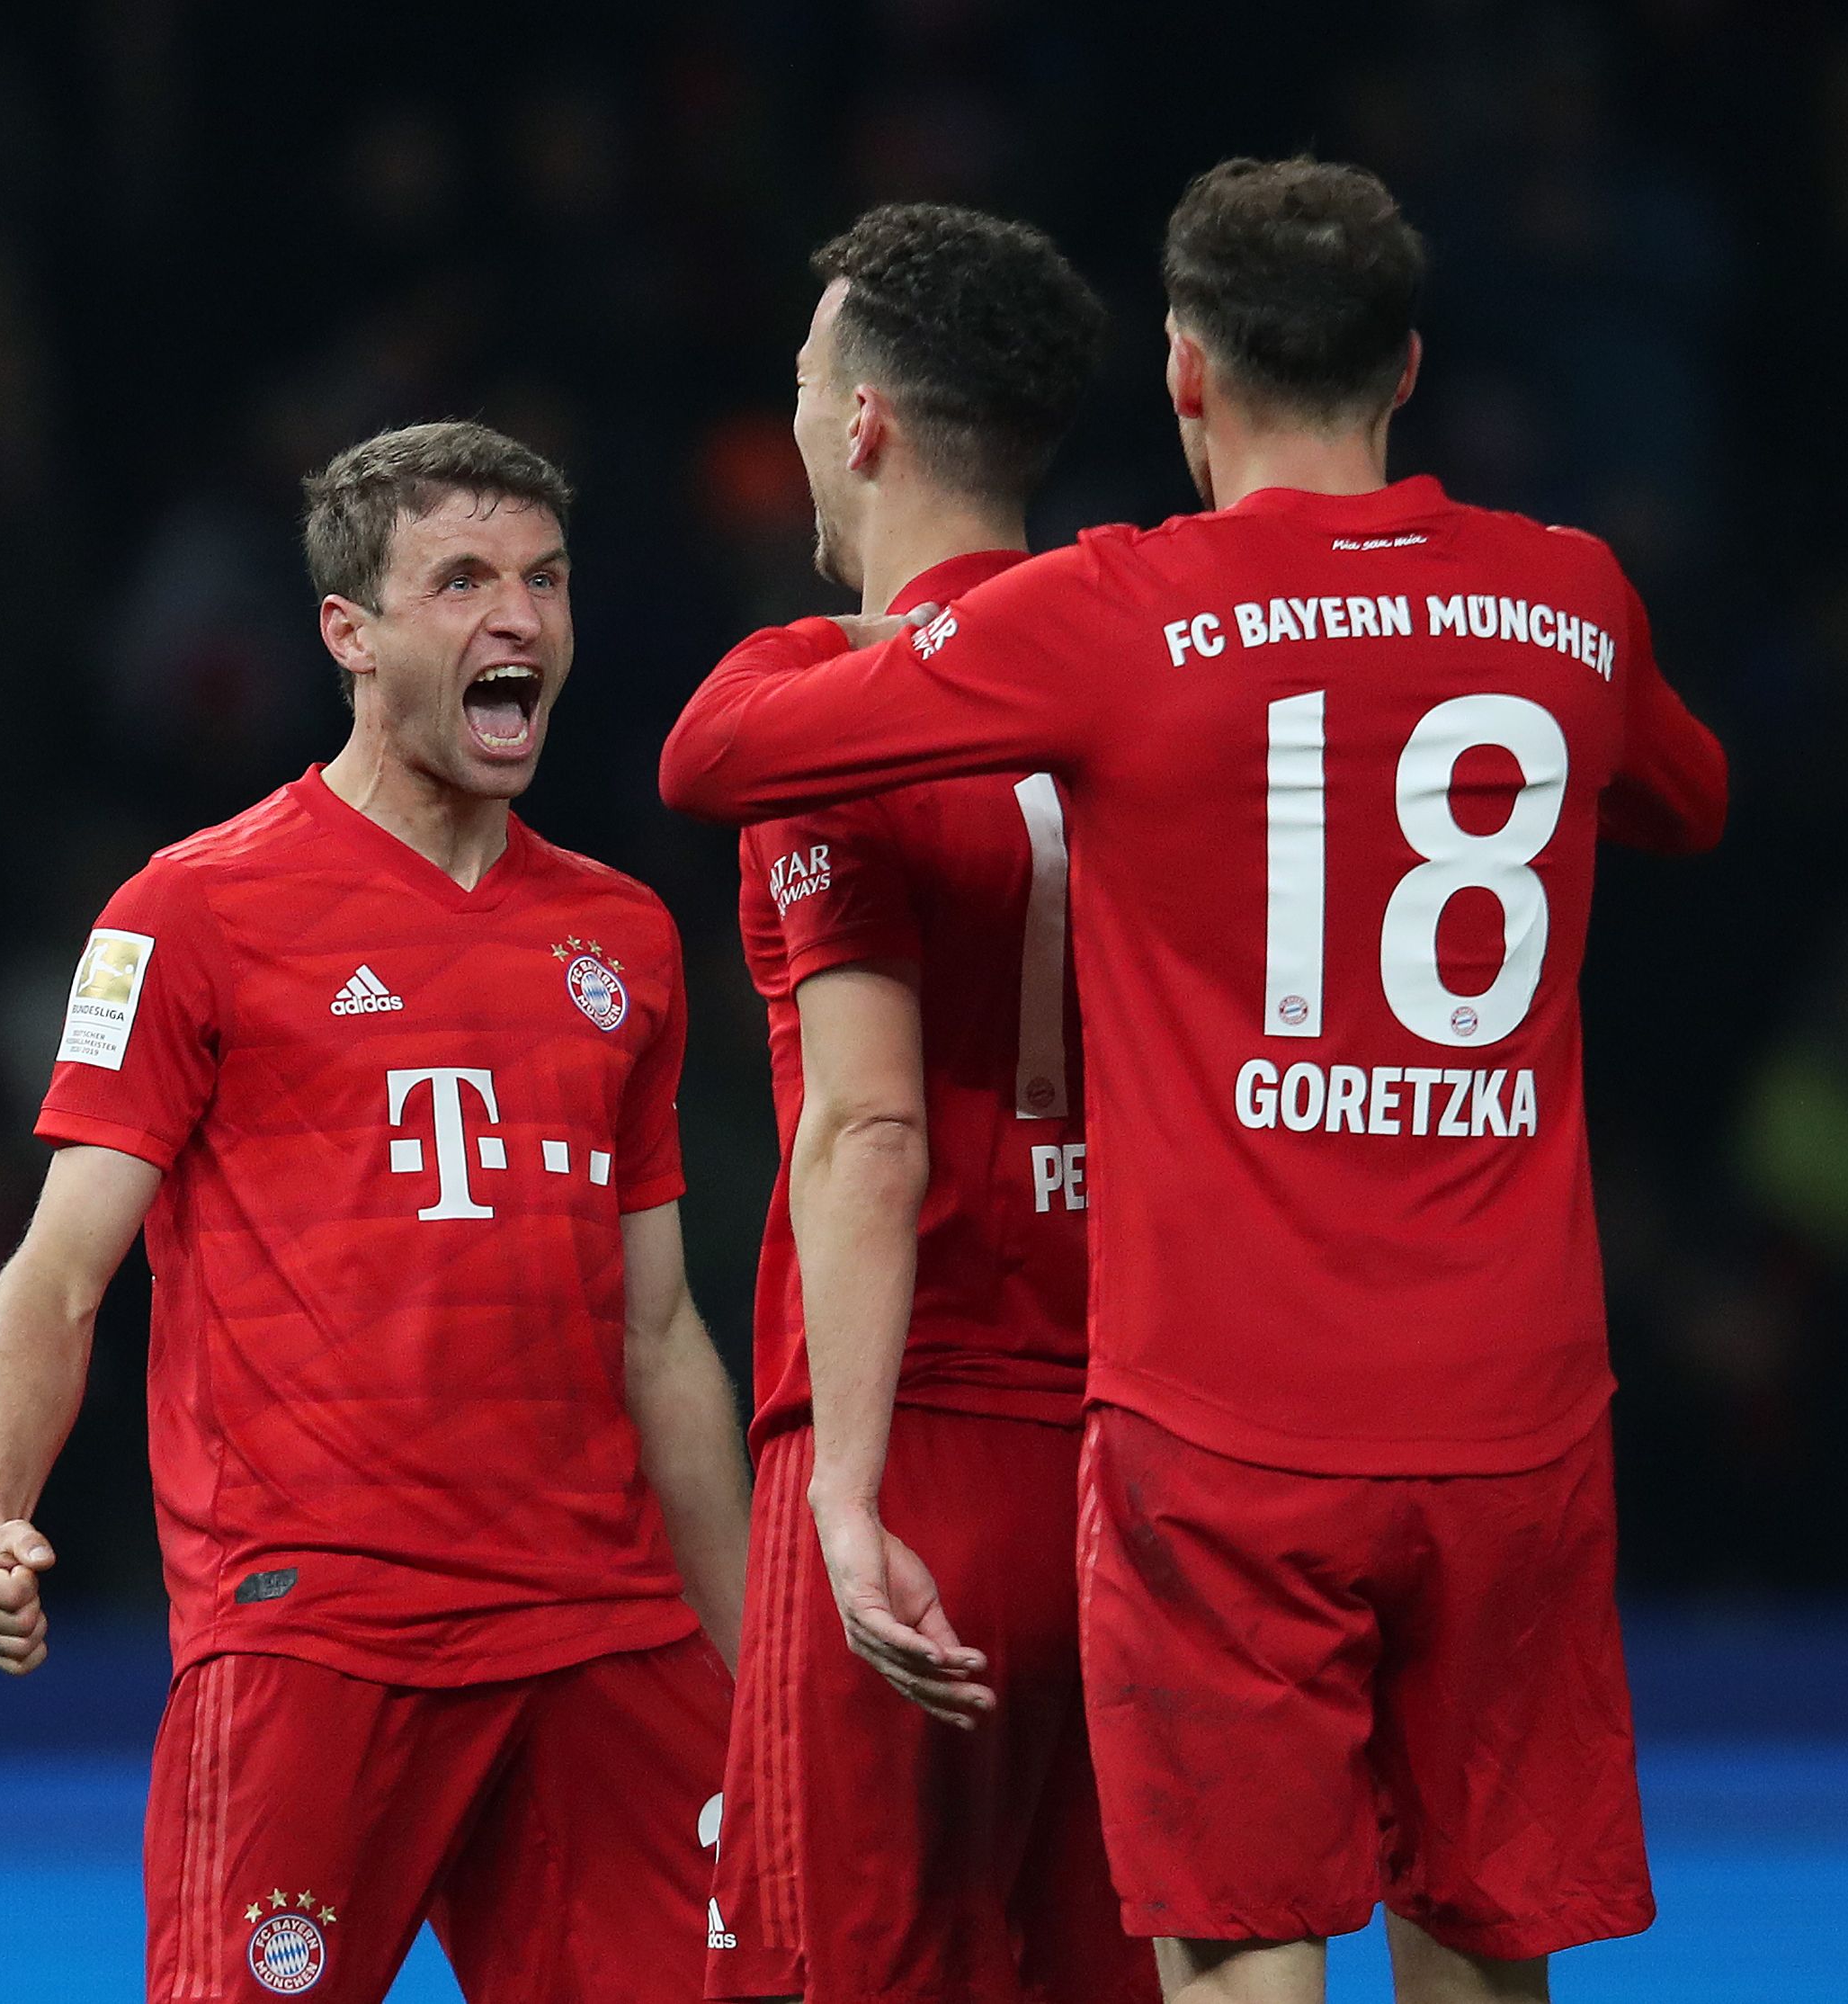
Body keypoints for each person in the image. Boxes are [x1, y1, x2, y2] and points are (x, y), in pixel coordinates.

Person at [662, 161, 1729, 2004]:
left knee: (1241, 1955)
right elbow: (1688, 801)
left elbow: (720, 757)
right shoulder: (1572, 601)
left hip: (1229, 1421)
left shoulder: (1125, 614)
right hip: (1518, 1406)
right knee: (1481, 1932)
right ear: (1404, 364)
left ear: (1184, 377)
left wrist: (848, 644)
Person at [0, 421, 751, 2004]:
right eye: (461, 582)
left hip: (603, 1631)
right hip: (321, 1633)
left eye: (545, 579)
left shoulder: (627, 938)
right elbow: (55, 1278)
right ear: (350, 634)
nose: (517, 618)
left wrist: (755, 1665)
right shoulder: (187, 911)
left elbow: (656, 1332)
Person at [702, 205, 1152, 2004]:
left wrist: (845, 1498)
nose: (800, 417)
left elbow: (869, 1128)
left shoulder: (826, 712)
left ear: (868, 420)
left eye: (808, 380)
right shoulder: (1164, 695)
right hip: (1146, 1458)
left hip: (915, 1449)